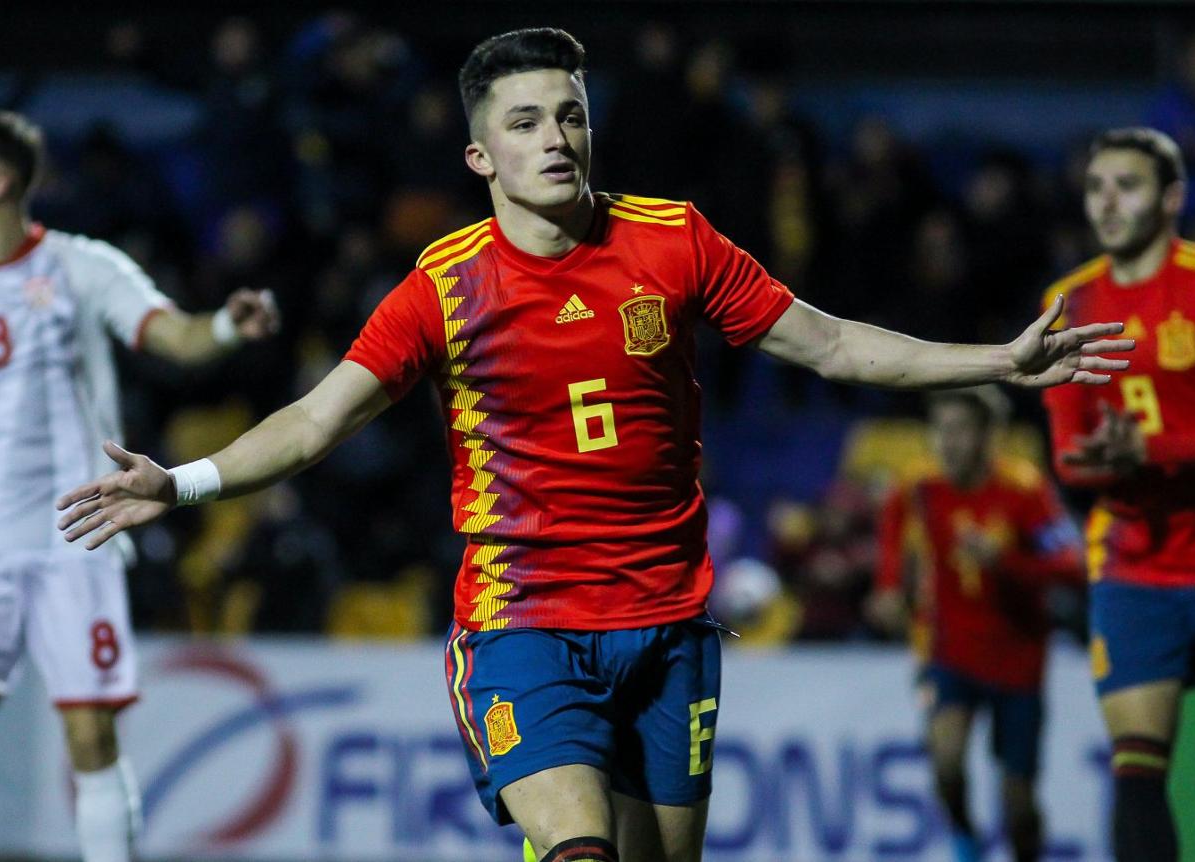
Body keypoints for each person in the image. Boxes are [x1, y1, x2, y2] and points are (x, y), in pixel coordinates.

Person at [56, 29, 1131, 862]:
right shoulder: (445, 283)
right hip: (525, 623)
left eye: (569, 116)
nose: (556, 138)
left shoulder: (675, 240)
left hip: (666, 625)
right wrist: (183, 481)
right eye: (525, 123)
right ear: (481, 152)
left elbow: (836, 344)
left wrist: (997, 361)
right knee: (580, 847)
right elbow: (315, 420)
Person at [0, 111, 279, 862]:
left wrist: (229, 328)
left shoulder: (79, 266)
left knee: (90, 731)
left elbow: (173, 334)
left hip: (76, 534)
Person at [1038, 127, 1195, 862]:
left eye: (1128, 185)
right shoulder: (1067, 304)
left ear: (1171, 198)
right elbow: (1068, 459)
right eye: (1096, 186)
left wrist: (1155, 451)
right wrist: (1106, 463)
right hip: (1136, 568)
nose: (1108, 202)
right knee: (1137, 774)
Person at [869, 387, 1083, 862]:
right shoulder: (920, 485)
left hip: (1018, 660)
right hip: (949, 651)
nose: (948, 442)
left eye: (961, 430)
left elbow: (1071, 566)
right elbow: (891, 524)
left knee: (1018, 806)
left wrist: (1004, 561)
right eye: (941, 429)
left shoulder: (1026, 491)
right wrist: (888, 586)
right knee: (945, 762)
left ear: (990, 436)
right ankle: (965, 838)